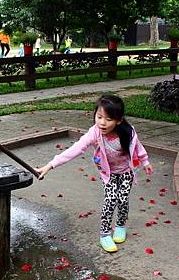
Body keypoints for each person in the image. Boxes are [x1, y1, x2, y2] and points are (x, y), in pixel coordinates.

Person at [35, 94, 153, 253]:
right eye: (99, 117)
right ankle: (105, 233)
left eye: (109, 119)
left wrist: (145, 162)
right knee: (111, 199)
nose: (102, 123)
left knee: (123, 199)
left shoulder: (128, 131)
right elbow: (75, 149)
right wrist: (49, 165)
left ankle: (120, 225)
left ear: (119, 120)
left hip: (126, 172)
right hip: (109, 173)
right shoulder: (95, 133)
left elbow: (137, 148)